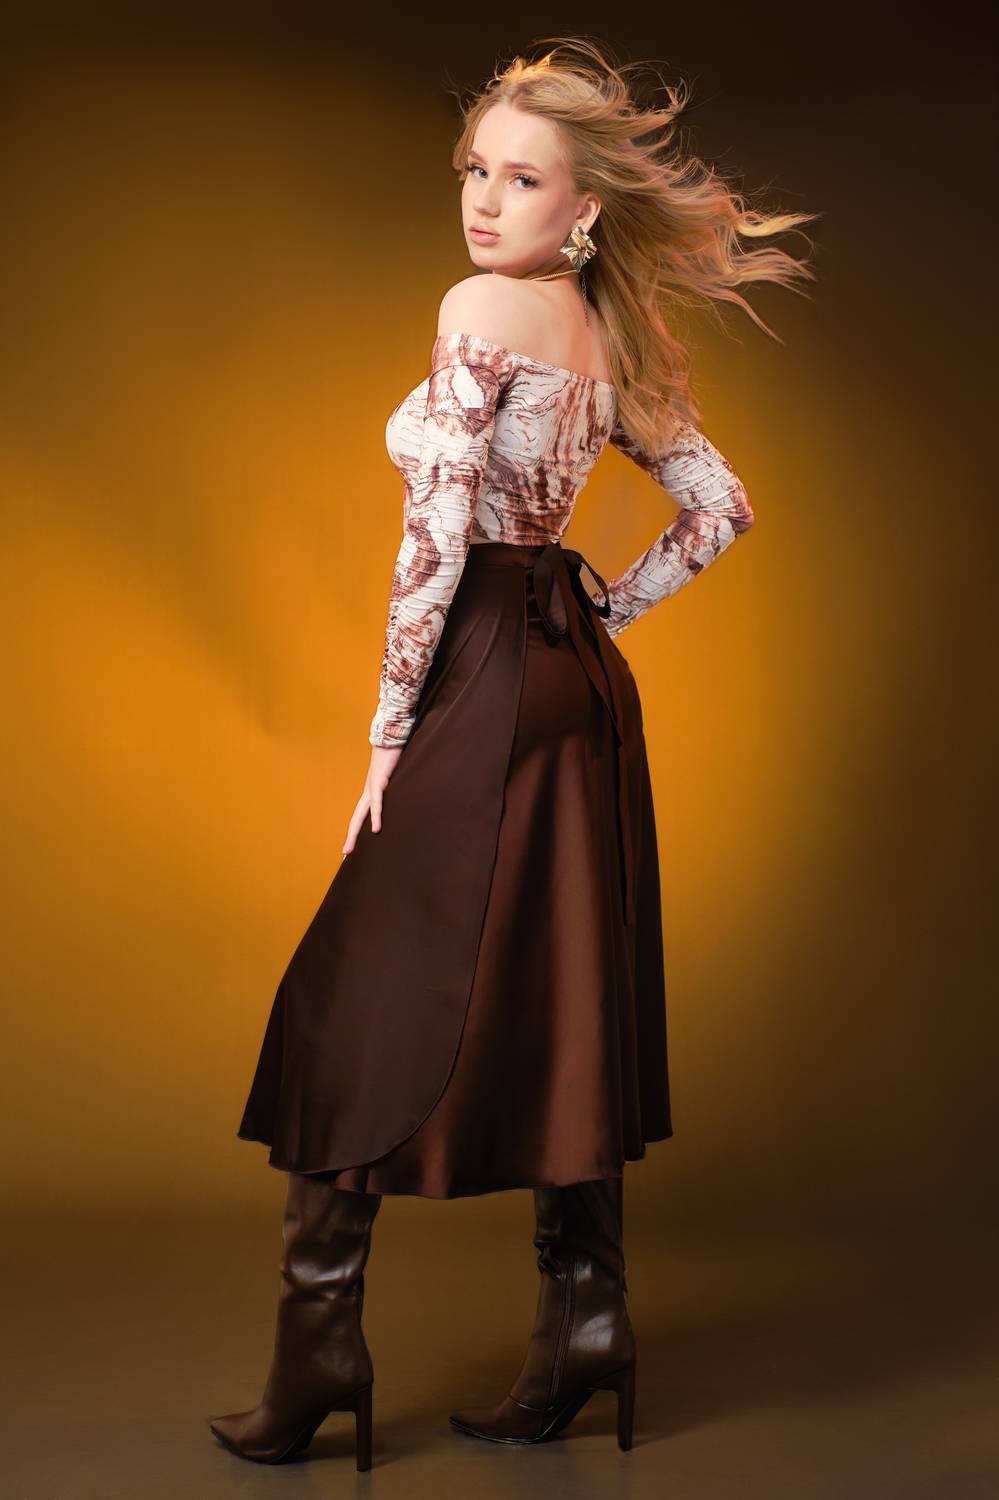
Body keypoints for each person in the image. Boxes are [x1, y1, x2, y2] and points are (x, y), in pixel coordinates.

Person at [207, 37, 816, 1473]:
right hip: (574, 681)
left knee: (351, 1002)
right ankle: (586, 1319)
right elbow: (721, 507)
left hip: (481, 667)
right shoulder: (603, 334)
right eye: (474, 169)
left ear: (584, 208)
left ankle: (320, 1348)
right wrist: (599, 610)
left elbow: (434, 538)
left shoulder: (481, 308)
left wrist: (386, 733)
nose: (484, 200)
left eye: (521, 178)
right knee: (563, 989)